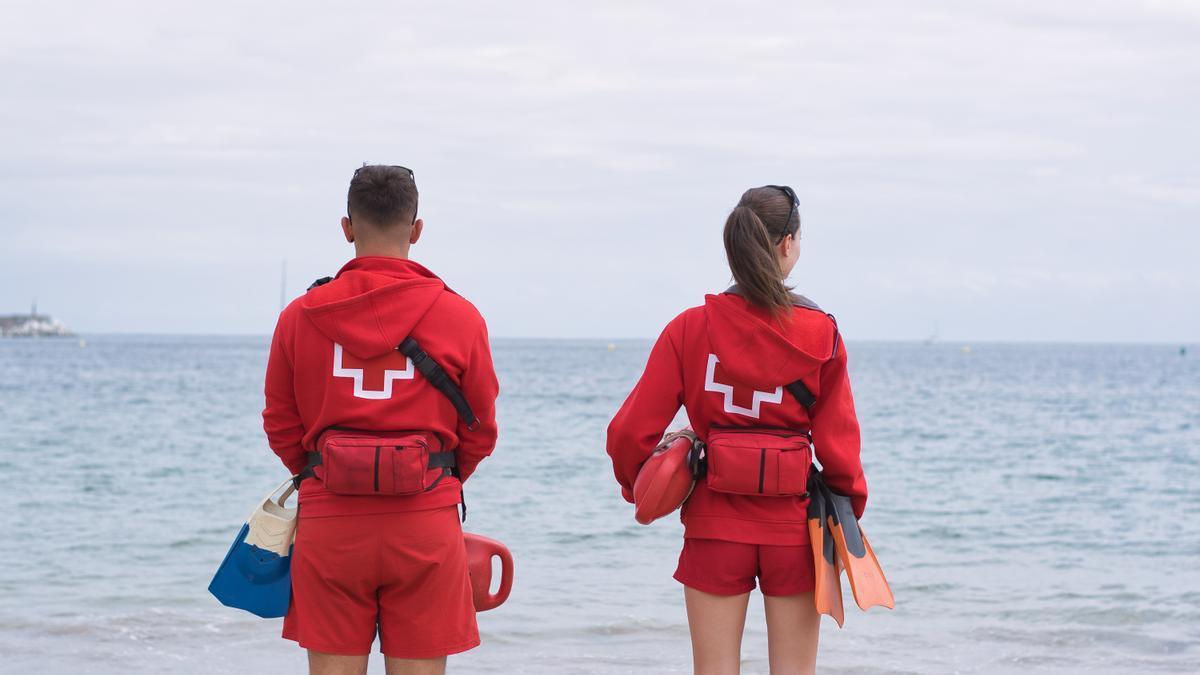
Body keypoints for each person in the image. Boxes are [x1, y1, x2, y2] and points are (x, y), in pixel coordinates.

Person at [606, 185, 868, 675]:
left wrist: (637, 486)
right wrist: (847, 514)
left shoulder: (688, 328)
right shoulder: (822, 334)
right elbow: (841, 451)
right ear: (787, 243)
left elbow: (629, 433)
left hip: (714, 525)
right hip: (794, 528)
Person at [262, 164, 500, 675]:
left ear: (347, 227)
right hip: (425, 521)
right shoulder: (461, 317)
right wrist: (439, 479)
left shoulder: (298, 317)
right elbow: (479, 429)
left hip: (330, 525)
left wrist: (320, 473)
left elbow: (280, 423)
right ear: (416, 229)